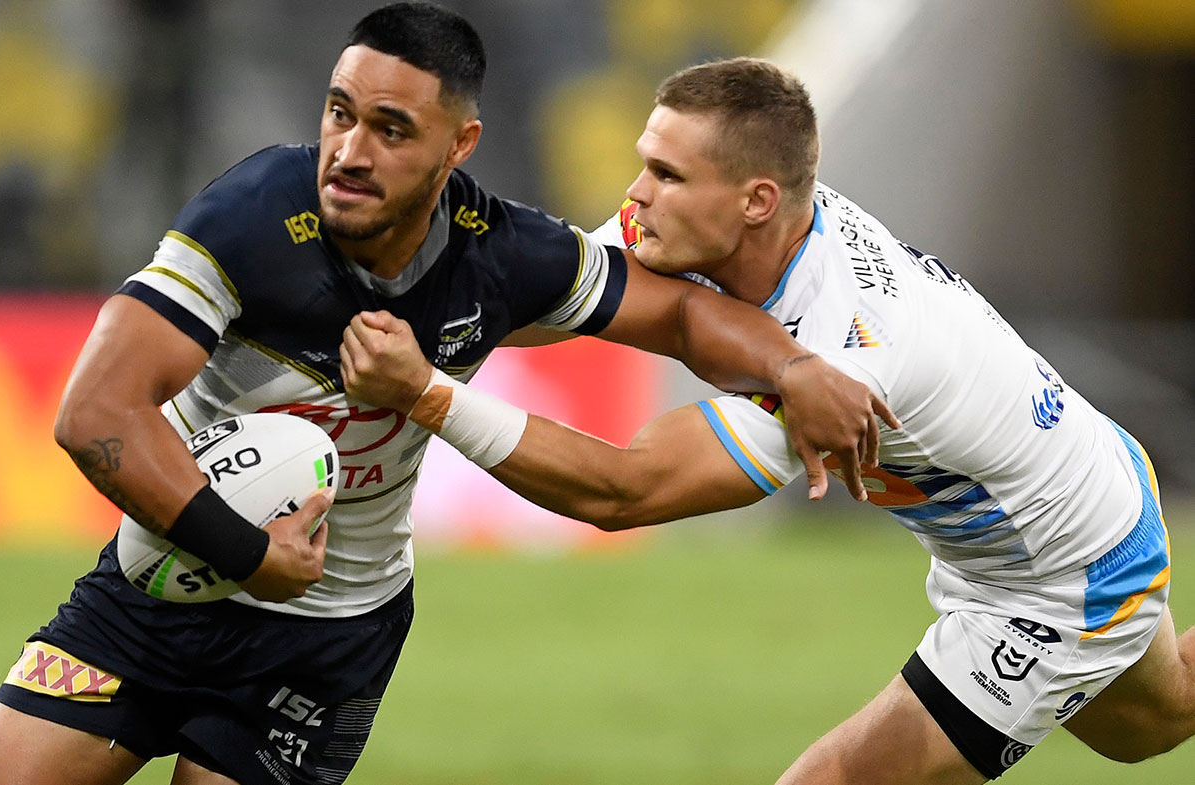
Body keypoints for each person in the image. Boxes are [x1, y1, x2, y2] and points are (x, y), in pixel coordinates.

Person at [0, 8, 895, 785]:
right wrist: (250, 553)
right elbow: (95, 413)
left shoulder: (503, 252)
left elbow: (684, 318)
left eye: (391, 129)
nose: (349, 152)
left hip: (325, 641)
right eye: (338, 113)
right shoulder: (249, 219)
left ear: (459, 144)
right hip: (157, 592)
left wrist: (795, 368)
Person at [340, 57, 1195, 784]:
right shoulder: (726, 223)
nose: (637, 194)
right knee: (1153, 725)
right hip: (1078, 476)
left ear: (754, 201)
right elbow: (551, 302)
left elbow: (624, 490)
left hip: (1063, 574)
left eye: (667, 176)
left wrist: (427, 394)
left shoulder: (844, 353)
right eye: (647, 163)